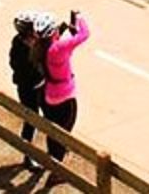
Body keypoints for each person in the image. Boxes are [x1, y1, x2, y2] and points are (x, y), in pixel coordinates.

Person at [36, 10, 89, 163]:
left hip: (48, 95)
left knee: (53, 130)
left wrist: (65, 29)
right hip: (65, 96)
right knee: (64, 132)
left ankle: (52, 156)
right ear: (53, 33)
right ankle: (57, 169)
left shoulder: (40, 48)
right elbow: (84, 34)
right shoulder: (59, 48)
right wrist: (80, 18)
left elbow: (63, 44)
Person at [9, 11, 46, 168]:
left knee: (46, 118)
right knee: (31, 120)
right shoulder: (20, 47)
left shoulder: (28, 43)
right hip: (28, 88)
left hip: (39, 85)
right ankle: (27, 155)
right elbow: (21, 68)